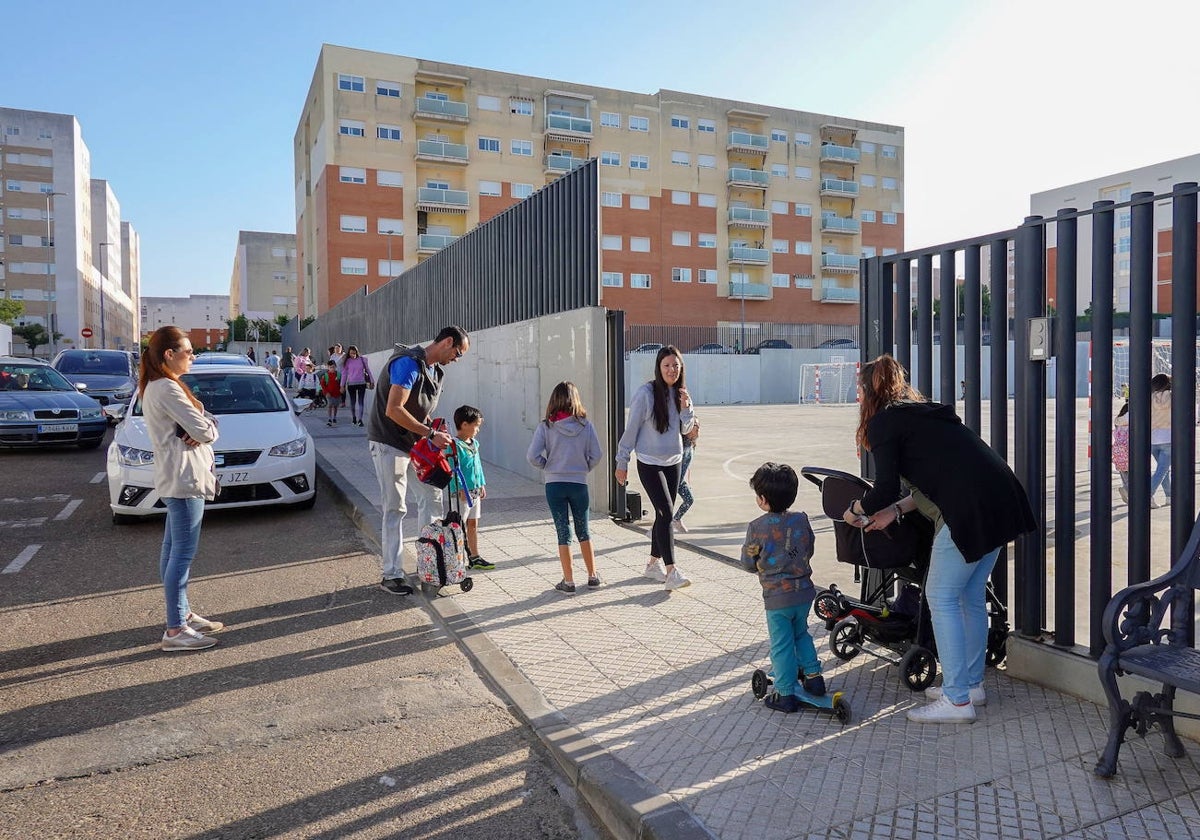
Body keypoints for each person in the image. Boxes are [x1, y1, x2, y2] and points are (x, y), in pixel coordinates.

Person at [845, 354, 1035, 723]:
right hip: (1002, 498)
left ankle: (957, 701)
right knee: (969, 596)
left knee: (941, 596)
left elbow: (882, 487)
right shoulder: (923, 415)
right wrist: (895, 511)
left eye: (859, 389)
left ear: (870, 391)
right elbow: (943, 477)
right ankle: (971, 685)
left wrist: (857, 508)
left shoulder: (885, 423)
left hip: (968, 511)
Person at [367, 326, 470, 595]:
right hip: (388, 442)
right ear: (447, 342)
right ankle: (391, 574)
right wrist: (430, 433)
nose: (457, 359)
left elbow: (421, 413)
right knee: (395, 507)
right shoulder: (407, 363)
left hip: (415, 446)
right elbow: (394, 409)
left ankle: (431, 566)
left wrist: (437, 435)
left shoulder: (437, 373)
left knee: (432, 497)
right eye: (457, 352)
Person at [139, 326, 223, 652]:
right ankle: (175, 630)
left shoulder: (157, 387)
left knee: (172, 551)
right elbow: (205, 429)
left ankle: (182, 613)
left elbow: (199, 426)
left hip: (174, 477)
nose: (193, 357)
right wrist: (204, 426)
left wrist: (200, 425)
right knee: (181, 555)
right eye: (188, 352)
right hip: (184, 478)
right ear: (169, 355)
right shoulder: (168, 390)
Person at [741, 462, 823, 713]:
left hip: (777, 597)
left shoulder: (757, 528)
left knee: (782, 643)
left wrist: (760, 564)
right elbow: (809, 547)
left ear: (763, 499)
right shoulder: (801, 520)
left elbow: (748, 561)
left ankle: (785, 692)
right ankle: (813, 677)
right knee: (801, 634)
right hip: (804, 592)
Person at [615, 345, 696, 591]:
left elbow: (686, 431)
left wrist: (687, 410)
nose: (672, 370)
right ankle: (672, 571)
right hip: (650, 463)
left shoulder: (681, 394)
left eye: (675, 365)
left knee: (663, 516)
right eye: (667, 365)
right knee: (667, 514)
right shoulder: (646, 394)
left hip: (674, 461)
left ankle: (652, 564)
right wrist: (622, 461)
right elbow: (631, 430)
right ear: (659, 368)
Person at [528, 381, 604, 593]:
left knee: (563, 531)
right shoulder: (585, 425)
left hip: (554, 484)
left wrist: (548, 466)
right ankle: (592, 576)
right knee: (584, 530)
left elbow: (532, 456)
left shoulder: (546, 426)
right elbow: (597, 455)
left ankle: (568, 581)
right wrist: (583, 468)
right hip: (579, 483)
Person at [448, 404, 494, 571]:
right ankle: (456, 560)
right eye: (476, 425)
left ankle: (474, 557)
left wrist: (481, 484)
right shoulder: (454, 445)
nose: (478, 429)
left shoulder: (474, 443)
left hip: (474, 491)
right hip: (461, 494)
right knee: (458, 525)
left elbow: (478, 465)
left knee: (473, 523)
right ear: (464, 424)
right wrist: (459, 488)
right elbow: (452, 469)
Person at [672, 418, 700, 533]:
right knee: (666, 506)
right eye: (696, 426)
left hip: (679, 481)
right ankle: (657, 528)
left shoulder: (690, 443)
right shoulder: (681, 445)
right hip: (673, 480)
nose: (698, 429)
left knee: (689, 500)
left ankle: (676, 520)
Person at [1150, 373, 1172, 508]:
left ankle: (1169, 496)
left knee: (1163, 469)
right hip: (1168, 438)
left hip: (1153, 439)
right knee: (1162, 470)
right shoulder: (1172, 396)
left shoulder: (1150, 397)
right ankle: (1148, 494)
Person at [340, 345, 373, 427]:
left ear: (357, 352)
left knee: (361, 402)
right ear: (349, 353)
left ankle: (360, 420)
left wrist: (372, 380)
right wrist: (342, 385)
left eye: (354, 353)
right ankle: (354, 418)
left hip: (362, 383)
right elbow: (344, 374)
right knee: (353, 402)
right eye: (351, 353)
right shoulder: (346, 361)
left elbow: (368, 370)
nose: (353, 355)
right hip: (351, 384)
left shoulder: (362, 360)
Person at [1113, 401, 1130, 504]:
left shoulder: (1118, 424)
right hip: (1128, 450)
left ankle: (1126, 489)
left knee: (1123, 473)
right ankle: (1127, 490)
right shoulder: (1130, 421)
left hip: (1118, 451)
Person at [320, 360, 343, 426]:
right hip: (329, 394)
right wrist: (326, 392)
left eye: (333, 367)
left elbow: (342, 383)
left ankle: (334, 418)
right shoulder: (326, 375)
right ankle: (329, 419)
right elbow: (323, 385)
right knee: (330, 406)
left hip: (337, 394)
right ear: (328, 367)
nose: (332, 368)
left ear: (335, 367)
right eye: (330, 367)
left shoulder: (338, 375)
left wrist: (342, 389)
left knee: (335, 406)